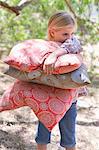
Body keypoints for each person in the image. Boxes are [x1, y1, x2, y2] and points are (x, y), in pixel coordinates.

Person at [35, 11, 83, 150]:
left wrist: (54, 56)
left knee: (69, 137)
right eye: (65, 34)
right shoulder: (45, 47)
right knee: (42, 135)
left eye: (72, 33)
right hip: (47, 98)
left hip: (69, 99)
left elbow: (72, 45)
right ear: (52, 31)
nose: (69, 37)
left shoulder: (73, 43)